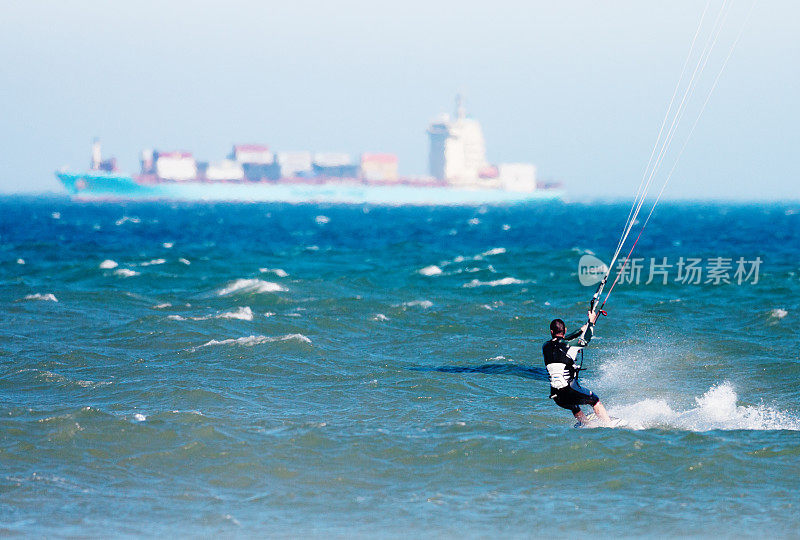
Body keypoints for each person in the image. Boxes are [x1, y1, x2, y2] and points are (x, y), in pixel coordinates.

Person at [542, 310, 612, 426]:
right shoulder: (570, 346)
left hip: (556, 397)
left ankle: (588, 425)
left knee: (574, 406)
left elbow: (563, 340)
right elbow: (586, 340)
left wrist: (583, 328)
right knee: (595, 400)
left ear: (551, 332)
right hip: (570, 390)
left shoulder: (545, 346)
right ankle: (609, 425)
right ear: (565, 330)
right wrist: (590, 323)